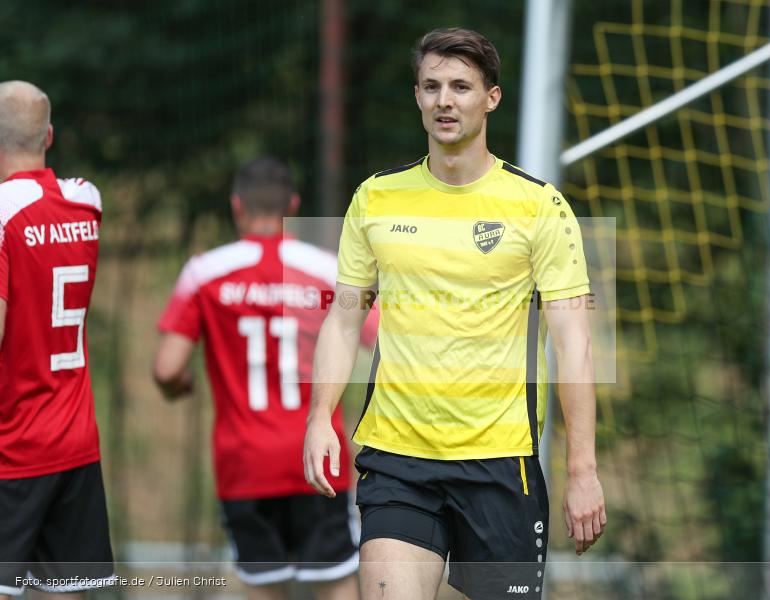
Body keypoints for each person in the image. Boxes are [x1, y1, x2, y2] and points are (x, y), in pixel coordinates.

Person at [304, 28, 606, 600]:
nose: (445, 100)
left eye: (461, 87)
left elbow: (574, 345)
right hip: (398, 461)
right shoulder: (376, 198)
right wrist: (321, 415)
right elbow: (344, 321)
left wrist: (583, 469)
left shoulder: (539, 206)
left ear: (491, 97)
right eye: (432, 86)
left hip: (500, 466)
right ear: (417, 97)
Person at [153, 156, 377, 600]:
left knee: (262, 585)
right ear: (292, 205)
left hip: (244, 463)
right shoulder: (327, 268)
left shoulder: (205, 273)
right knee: (335, 580)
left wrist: (181, 387)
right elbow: (382, 340)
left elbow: (167, 368)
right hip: (318, 457)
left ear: (236, 206)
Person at [0, 81, 114, 599]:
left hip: (12, 445)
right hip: (74, 442)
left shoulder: (3, 216)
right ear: (49, 135)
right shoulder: (85, 202)